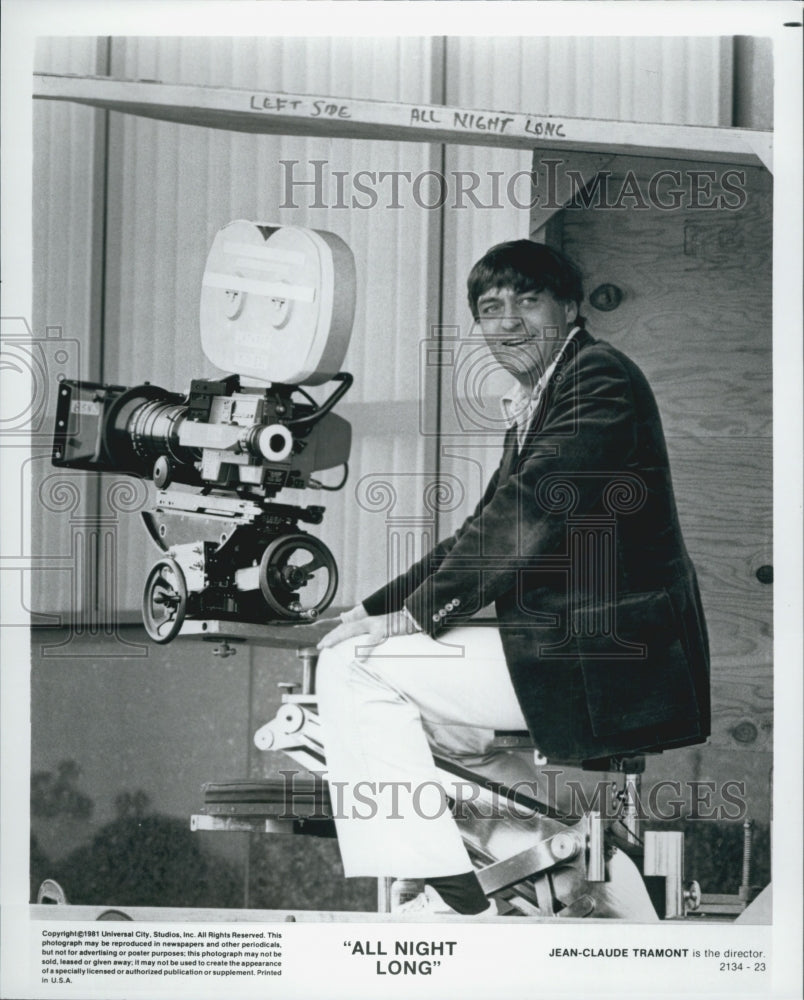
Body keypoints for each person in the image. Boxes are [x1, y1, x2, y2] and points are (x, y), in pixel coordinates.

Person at [315, 239, 710, 917]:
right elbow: (479, 530)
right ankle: (534, 846)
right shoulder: (551, 391)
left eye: (528, 300)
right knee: (396, 685)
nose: (508, 322)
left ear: (569, 306)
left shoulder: (597, 380)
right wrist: (371, 606)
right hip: (585, 651)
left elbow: (528, 511)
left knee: (356, 669)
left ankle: (437, 870)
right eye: (491, 308)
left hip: (607, 659)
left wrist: (410, 618)